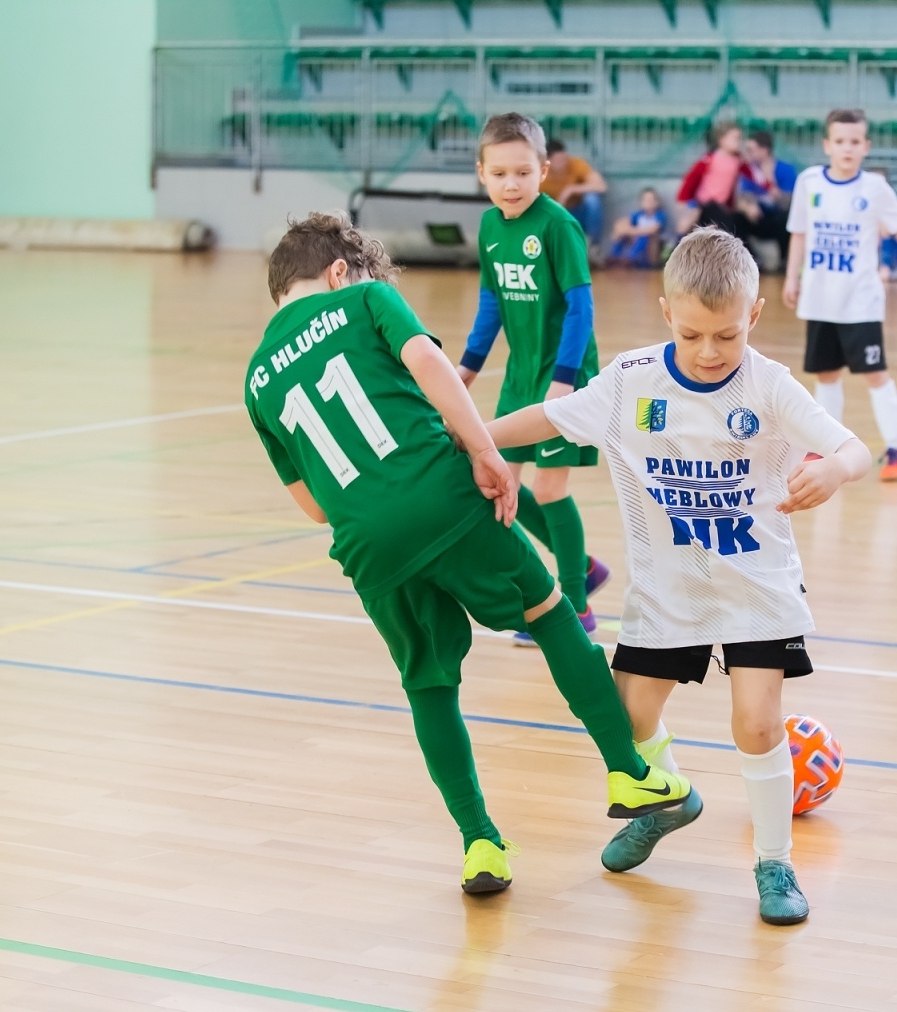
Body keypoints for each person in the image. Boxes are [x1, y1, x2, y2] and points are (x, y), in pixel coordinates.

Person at [244, 213, 691, 895]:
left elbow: (311, 504)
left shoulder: (254, 380)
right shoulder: (366, 299)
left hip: (366, 546)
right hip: (442, 497)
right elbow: (429, 366)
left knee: (428, 684)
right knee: (548, 610)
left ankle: (480, 841)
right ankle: (626, 770)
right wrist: (485, 451)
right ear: (340, 272)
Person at [486, 227, 872, 925]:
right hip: (669, 591)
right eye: (693, 334)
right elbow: (545, 416)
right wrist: (471, 436)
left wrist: (836, 470)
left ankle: (775, 865)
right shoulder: (630, 382)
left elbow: (853, 446)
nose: (708, 352)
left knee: (756, 726)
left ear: (754, 316)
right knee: (626, 722)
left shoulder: (770, 385)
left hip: (756, 586)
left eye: (726, 335)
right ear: (667, 312)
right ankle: (669, 799)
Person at [460, 113, 612, 643]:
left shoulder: (557, 225)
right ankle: (585, 568)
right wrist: (466, 369)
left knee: (549, 488)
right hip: (520, 377)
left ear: (544, 171)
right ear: (482, 173)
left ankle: (574, 605)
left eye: (523, 173)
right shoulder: (488, 228)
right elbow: (490, 302)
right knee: (501, 483)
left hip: (563, 376)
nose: (511, 184)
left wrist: (565, 380)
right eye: (499, 173)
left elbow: (580, 305)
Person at [783, 107, 897, 482]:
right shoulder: (809, 182)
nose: (846, 148)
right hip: (820, 299)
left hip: (861, 302)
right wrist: (791, 277)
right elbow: (799, 232)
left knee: (875, 374)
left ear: (865, 146)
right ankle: (826, 447)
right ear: (827, 145)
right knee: (826, 374)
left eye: (854, 142)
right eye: (839, 141)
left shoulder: (874, 189)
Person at [675, 123, 759, 238]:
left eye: (740, 138)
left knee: (738, 221)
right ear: (722, 140)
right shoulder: (710, 160)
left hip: (722, 207)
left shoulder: (738, 161)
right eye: (735, 138)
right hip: (705, 205)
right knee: (721, 224)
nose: (738, 142)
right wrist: (684, 202)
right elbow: (690, 180)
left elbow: (753, 178)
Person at [737, 129, 797, 257]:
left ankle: (785, 259)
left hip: (777, 219)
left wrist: (770, 181)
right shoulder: (750, 172)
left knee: (786, 217)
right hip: (759, 217)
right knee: (737, 218)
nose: (747, 154)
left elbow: (787, 203)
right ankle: (748, 258)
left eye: (751, 150)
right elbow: (744, 196)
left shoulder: (786, 169)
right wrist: (748, 206)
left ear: (764, 150)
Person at [541, 137, 608, 247]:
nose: (564, 163)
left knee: (592, 199)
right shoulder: (540, 174)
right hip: (554, 215)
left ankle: (593, 246)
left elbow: (601, 186)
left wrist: (571, 189)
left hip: (578, 212)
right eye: (558, 160)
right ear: (548, 161)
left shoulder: (576, 164)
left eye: (564, 158)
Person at [608, 187, 668, 268]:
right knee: (622, 235)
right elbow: (621, 223)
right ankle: (614, 257)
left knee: (643, 237)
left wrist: (630, 231)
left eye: (650, 200)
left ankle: (631, 259)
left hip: (650, 248)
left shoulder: (659, 215)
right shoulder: (638, 215)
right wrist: (621, 231)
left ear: (656, 203)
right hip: (636, 240)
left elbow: (652, 230)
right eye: (644, 200)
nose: (647, 203)